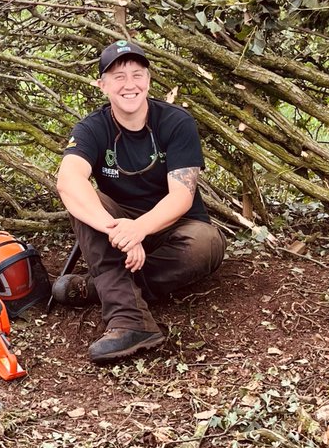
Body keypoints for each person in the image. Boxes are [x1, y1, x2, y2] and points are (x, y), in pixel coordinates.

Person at [54, 39, 225, 363]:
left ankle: (98, 288)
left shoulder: (176, 122)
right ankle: (129, 320)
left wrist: (140, 230)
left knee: (206, 243)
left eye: (137, 74)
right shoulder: (92, 128)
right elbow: (68, 179)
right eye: (118, 76)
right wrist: (120, 231)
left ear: (148, 79)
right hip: (119, 222)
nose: (129, 84)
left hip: (178, 226)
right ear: (102, 84)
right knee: (84, 201)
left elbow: (181, 196)